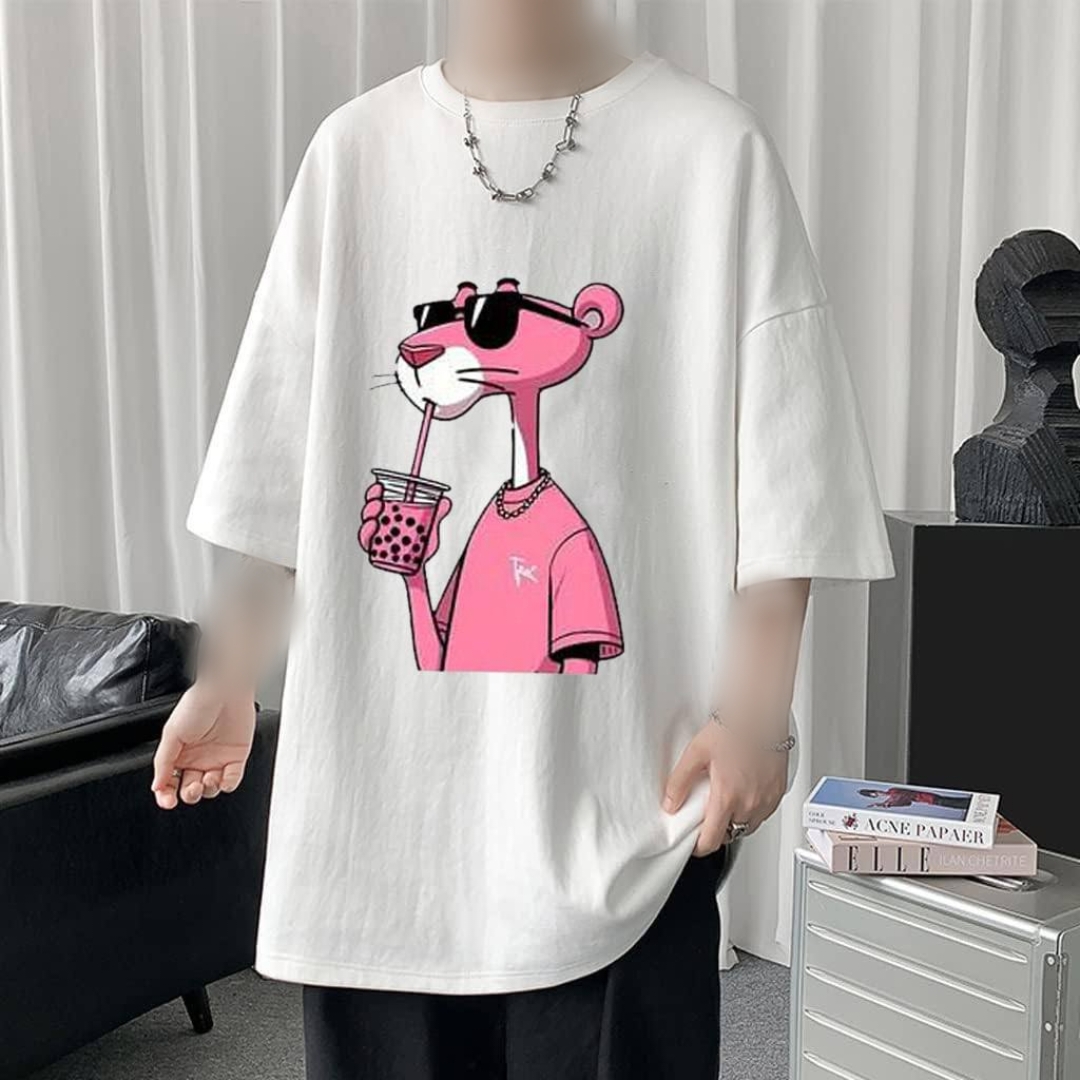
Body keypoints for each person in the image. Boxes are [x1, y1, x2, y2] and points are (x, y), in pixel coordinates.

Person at [151, 1, 895, 1076]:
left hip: (623, 806)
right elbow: (277, 447)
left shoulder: (710, 154)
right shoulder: (354, 155)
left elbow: (788, 461)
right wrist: (228, 675)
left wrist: (758, 718)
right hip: (386, 820)